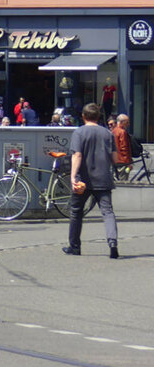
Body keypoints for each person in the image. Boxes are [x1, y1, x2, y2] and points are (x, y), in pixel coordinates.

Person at [65, 103, 120, 259]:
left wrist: (73, 176)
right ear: (98, 117)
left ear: (83, 116)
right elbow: (115, 158)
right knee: (108, 212)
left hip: (83, 180)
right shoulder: (108, 134)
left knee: (76, 212)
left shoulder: (79, 133)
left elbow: (77, 155)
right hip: (103, 179)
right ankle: (113, 243)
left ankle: (74, 246)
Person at [113, 113, 133, 180]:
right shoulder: (122, 132)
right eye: (126, 122)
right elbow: (124, 148)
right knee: (123, 181)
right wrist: (128, 162)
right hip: (123, 160)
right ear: (121, 122)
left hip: (115, 159)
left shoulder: (114, 131)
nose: (128, 124)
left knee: (117, 179)